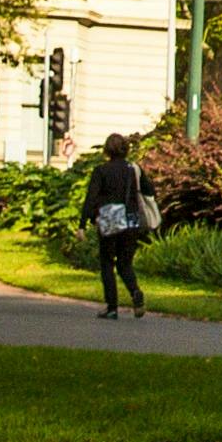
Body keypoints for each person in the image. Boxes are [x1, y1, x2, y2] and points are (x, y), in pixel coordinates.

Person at [82, 132, 155, 319]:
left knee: (107, 263)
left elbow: (91, 199)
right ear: (126, 149)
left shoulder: (101, 171)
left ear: (107, 150)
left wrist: (83, 224)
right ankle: (135, 292)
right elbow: (149, 190)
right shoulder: (134, 169)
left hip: (109, 219)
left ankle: (112, 307)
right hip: (130, 220)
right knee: (125, 263)